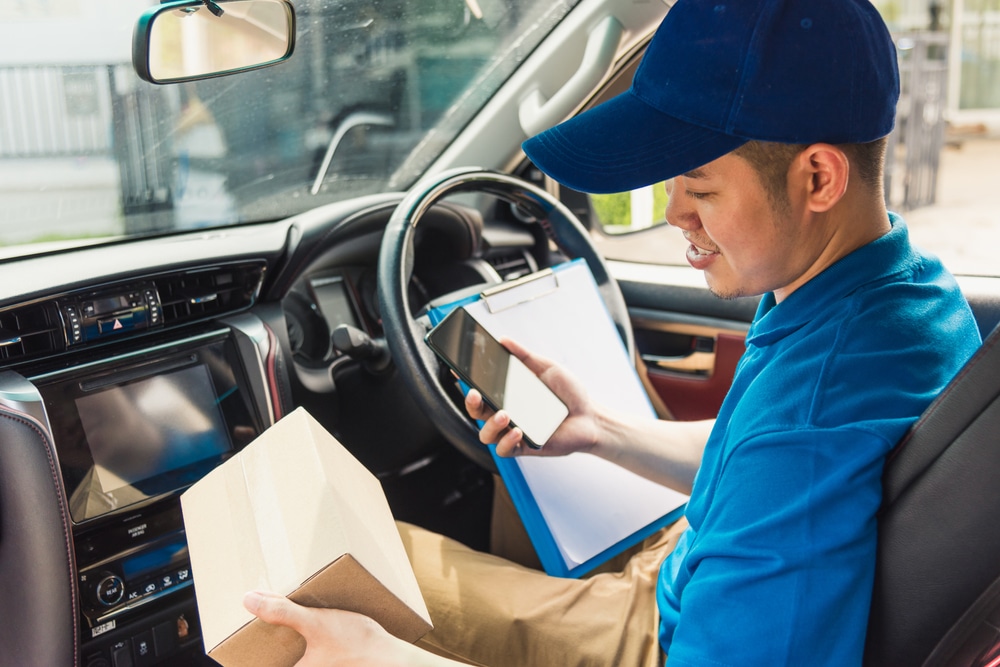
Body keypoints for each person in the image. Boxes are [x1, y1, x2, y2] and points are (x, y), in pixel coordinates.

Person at [243, 0, 983, 664]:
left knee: (309, 584)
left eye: (698, 185)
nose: (673, 212)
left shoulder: (808, 420)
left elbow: (784, 457)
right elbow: (750, 454)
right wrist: (599, 430)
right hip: (690, 566)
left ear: (818, 178)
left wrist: (382, 659)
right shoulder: (905, 293)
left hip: (670, 631)